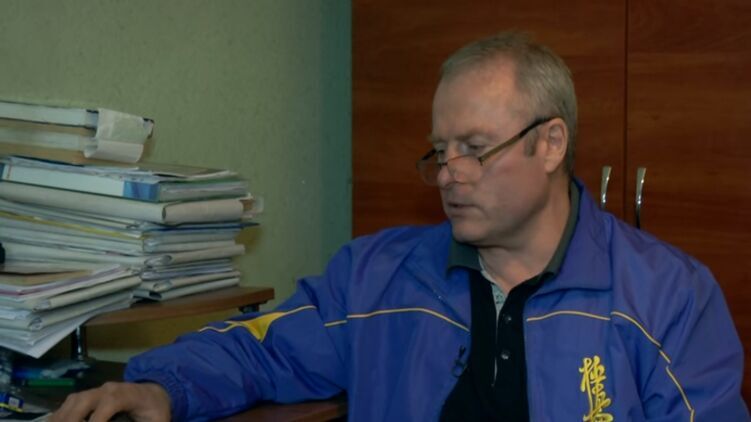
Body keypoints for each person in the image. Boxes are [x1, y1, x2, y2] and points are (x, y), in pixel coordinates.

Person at [51, 31, 748, 421]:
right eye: (440, 152)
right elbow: (259, 347)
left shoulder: (668, 297)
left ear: (550, 144)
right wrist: (160, 388)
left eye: (474, 149)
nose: (448, 174)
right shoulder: (376, 277)